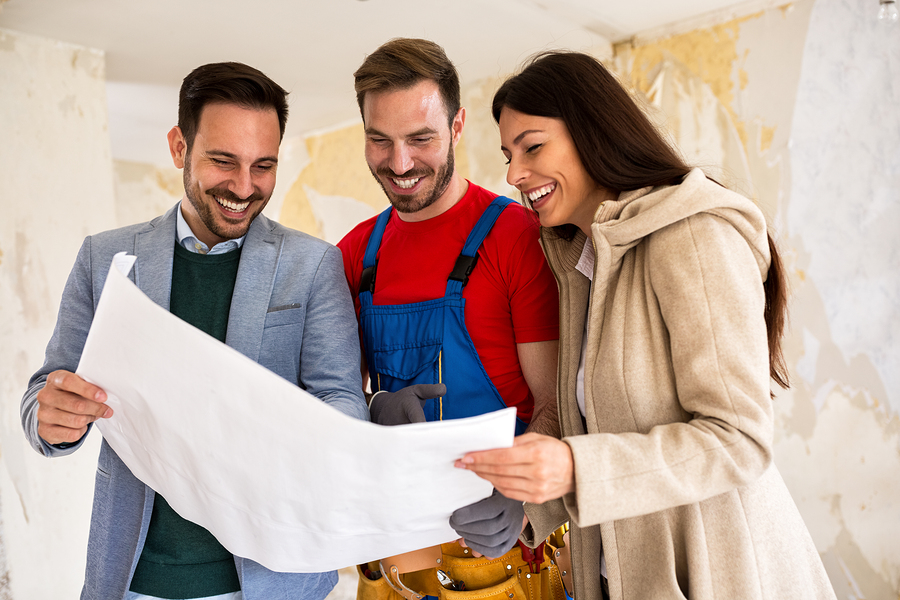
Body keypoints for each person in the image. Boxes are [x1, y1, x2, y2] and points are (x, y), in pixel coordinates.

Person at [455, 51, 837, 600]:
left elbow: (739, 441)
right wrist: (522, 505)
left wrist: (572, 469)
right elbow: (600, 425)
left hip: (723, 578)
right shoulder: (579, 264)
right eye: (508, 155)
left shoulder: (693, 235)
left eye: (533, 147)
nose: (514, 174)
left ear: (592, 132)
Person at [20, 62, 368, 600]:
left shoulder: (314, 265)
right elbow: (45, 393)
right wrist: (51, 417)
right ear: (179, 147)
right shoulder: (104, 257)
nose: (245, 187)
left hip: (272, 582)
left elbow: (343, 397)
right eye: (223, 161)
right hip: (134, 581)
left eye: (264, 166)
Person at [336, 39, 563, 600]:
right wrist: (371, 409)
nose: (400, 163)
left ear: (458, 124)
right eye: (379, 140)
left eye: (421, 138)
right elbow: (328, 403)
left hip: (504, 556)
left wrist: (526, 495)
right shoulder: (352, 254)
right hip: (392, 561)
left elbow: (559, 398)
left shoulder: (517, 239)